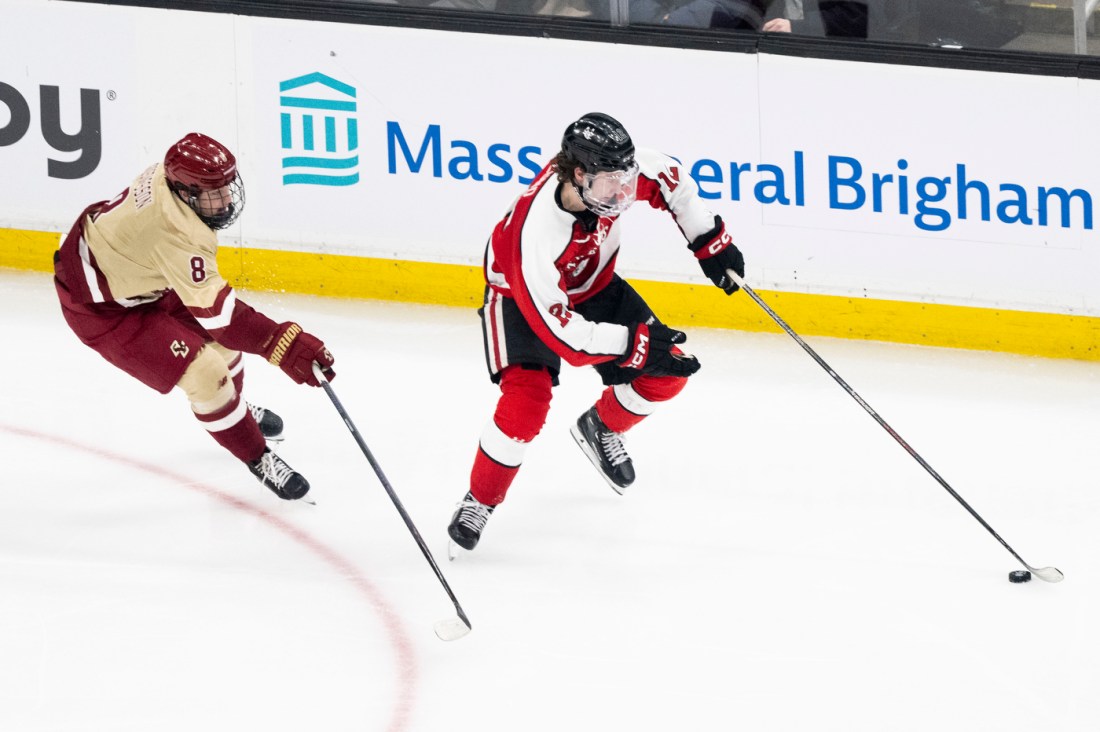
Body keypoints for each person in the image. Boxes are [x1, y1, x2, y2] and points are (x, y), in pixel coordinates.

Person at [446, 112, 745, 554]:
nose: (625, 189)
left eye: (627, 176)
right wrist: (633, 344)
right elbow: (566, 338)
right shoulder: (536, 234)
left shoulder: (614, 176)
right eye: (612, 180)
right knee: (525, 406)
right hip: (519, 300)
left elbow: (671, 179)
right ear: (579, 175)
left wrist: (709, 241)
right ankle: (480, 500)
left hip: (592, 285)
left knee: (669, 371)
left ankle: (601, 426)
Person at [52, 132, 336, 501]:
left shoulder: (166, 180)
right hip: (102, 308)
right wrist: (285, 344)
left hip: (139, 275)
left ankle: (235, 407)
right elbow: (226, 320)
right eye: (213, 193)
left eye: (226, 188)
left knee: (223, 349)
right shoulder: (175, 232)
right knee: (207, 374)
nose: (225, 200)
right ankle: (257, 457)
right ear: (186, 192)